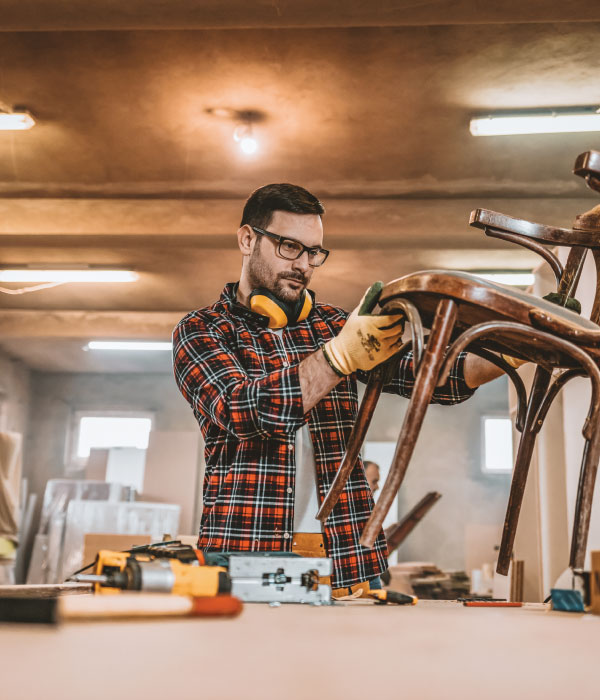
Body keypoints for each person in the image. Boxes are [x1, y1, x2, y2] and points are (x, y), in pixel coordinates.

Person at [173, 183, 503, 596]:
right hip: (244, 559)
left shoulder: (333, 325)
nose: (304, 265)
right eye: (289, 247)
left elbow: (437, 378)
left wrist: (516, 348)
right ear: (247, 239)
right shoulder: (202, 330)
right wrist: (336, 360)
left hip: (347, 561)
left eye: (314, 252)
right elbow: (243, 412)